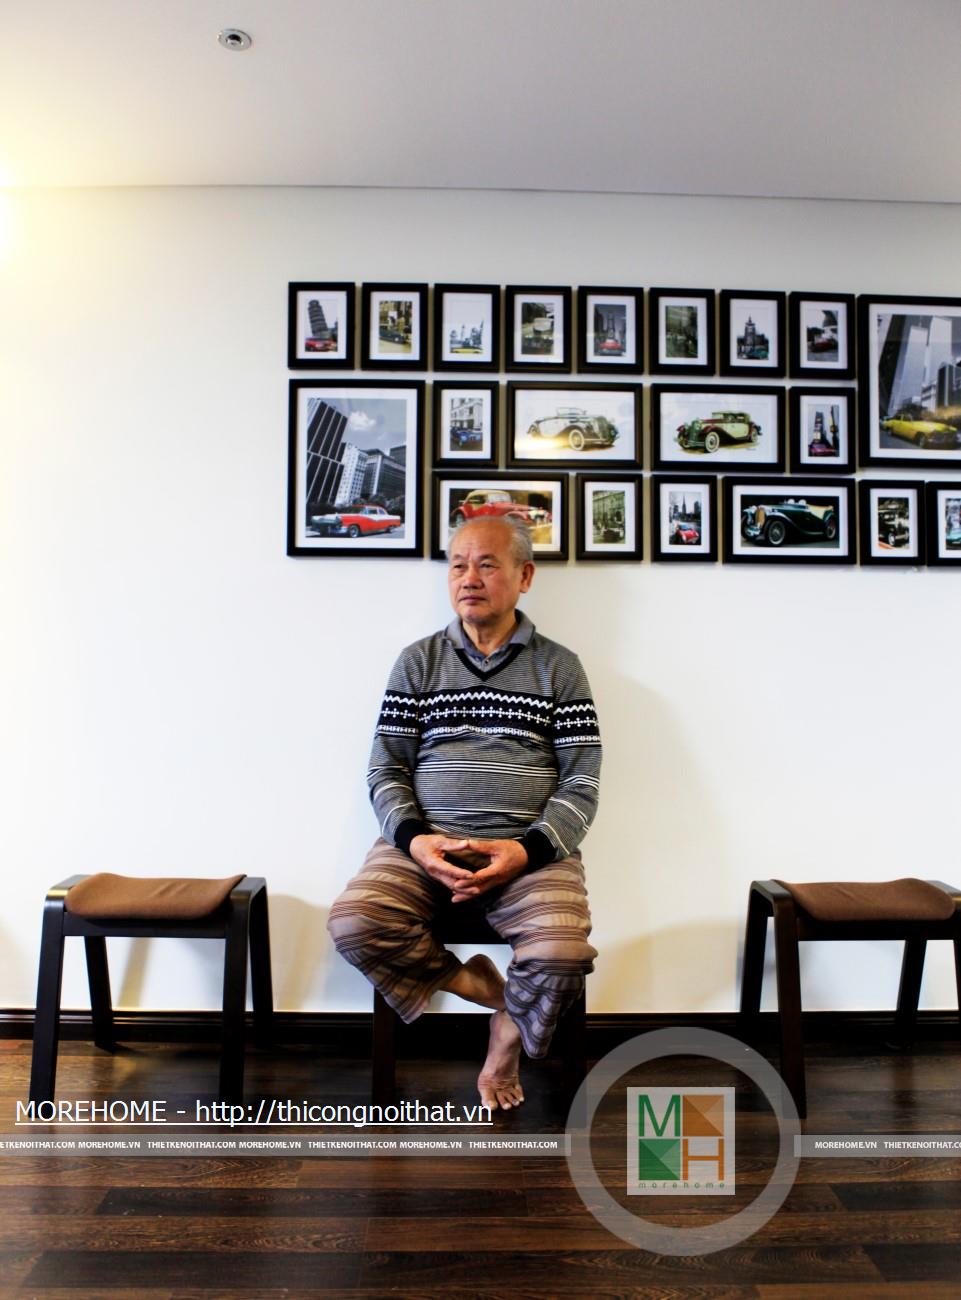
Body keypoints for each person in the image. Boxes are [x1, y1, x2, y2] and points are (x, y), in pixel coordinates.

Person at [327, 516, 601, 1110]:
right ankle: (486, 990)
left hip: (528, 852)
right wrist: (416, 841)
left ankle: (505, 1040)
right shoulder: (418, 661)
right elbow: (385, 769)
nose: (468, 578)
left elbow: (582, 782)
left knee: (561, 954)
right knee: (355, 922)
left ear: (524, 576)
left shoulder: (560, 667)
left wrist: (526, 850)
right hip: (426, 848)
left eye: (486, 564)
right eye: (458, 565)